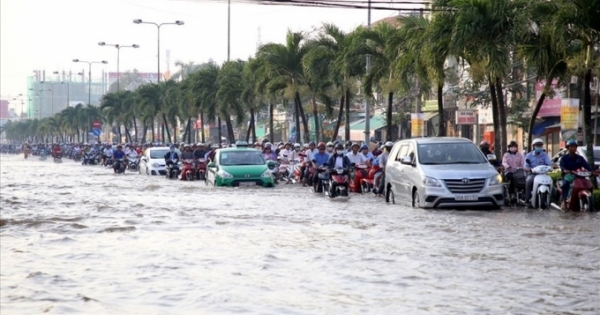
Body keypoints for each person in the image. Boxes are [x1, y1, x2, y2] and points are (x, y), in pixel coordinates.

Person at [559, 140, 593, 210]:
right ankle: (565, 200)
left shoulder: (580, 158)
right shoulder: (564, 158)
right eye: (571, 147)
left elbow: (586, 165)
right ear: (568, 148)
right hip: (568, 175)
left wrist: (592, 171)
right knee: (565, 184)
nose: (573, 148)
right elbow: (562, 166)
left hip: (579, 176)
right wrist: (565, 170)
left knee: (588, 184)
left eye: (574, 147)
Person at [524, 138, 552, 206]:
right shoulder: (529, 155)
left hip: (543, 174)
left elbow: (549, 163)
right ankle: (527, 199)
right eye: (537, 145)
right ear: (534, 146)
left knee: (551, 182)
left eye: (540, 145)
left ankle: (552, 199)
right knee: (529, 181)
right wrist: (528, 169)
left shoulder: (545, 155)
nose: (539, 147)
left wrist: (551, 166)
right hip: (533, 174)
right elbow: (526, 165)